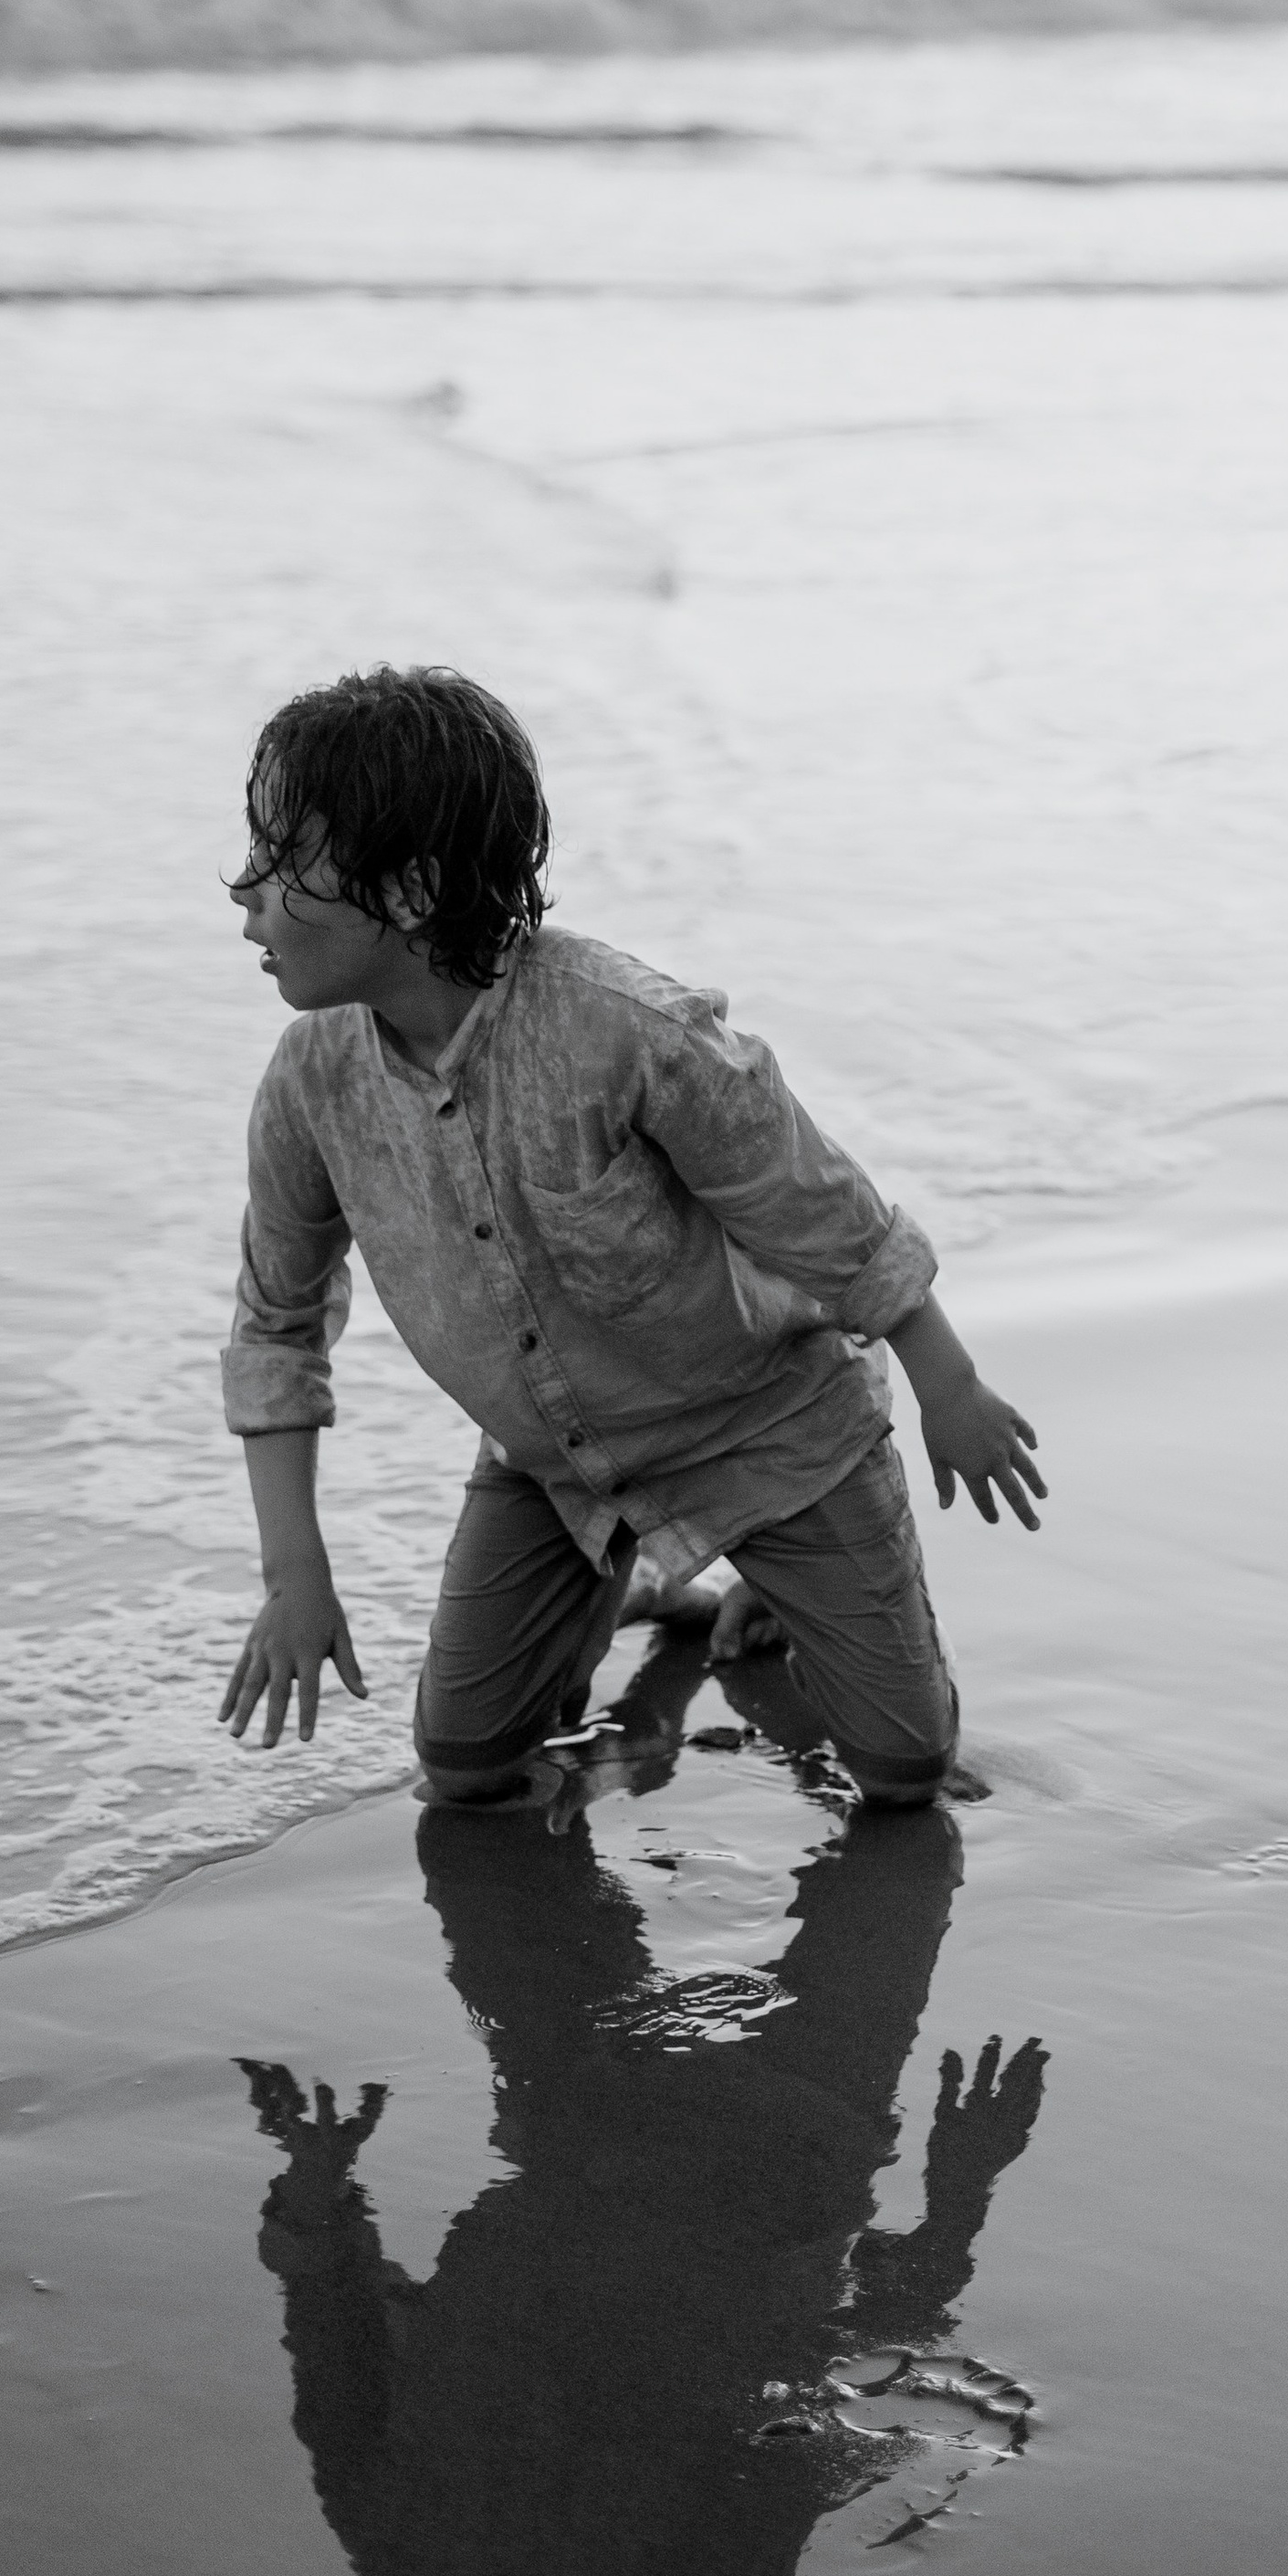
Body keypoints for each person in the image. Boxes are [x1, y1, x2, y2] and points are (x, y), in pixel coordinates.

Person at [241, 1642, 1046, 2576]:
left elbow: (329, 2328)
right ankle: (744, 1634)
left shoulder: (396, 2534)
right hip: (793, 2136)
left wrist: (321, 2195)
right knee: (888, 1828)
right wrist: (954, 2201)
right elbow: (834, 2382)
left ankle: (684, 1626)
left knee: (487, 1824)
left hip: (582, 2104)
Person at [215, 665, 1043, 1805]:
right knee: (460, 1767)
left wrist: (947, 1384)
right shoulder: (313, 1083)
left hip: (774, 1431)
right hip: (552, 1469)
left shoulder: (624, 1030)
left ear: (406, 892)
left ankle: (771, 1583)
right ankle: (640, 1585)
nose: (245, 894)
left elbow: (812, 1204)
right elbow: (276, 1324)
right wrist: (293, 1575)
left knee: (903, 1774)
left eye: (280, 861)